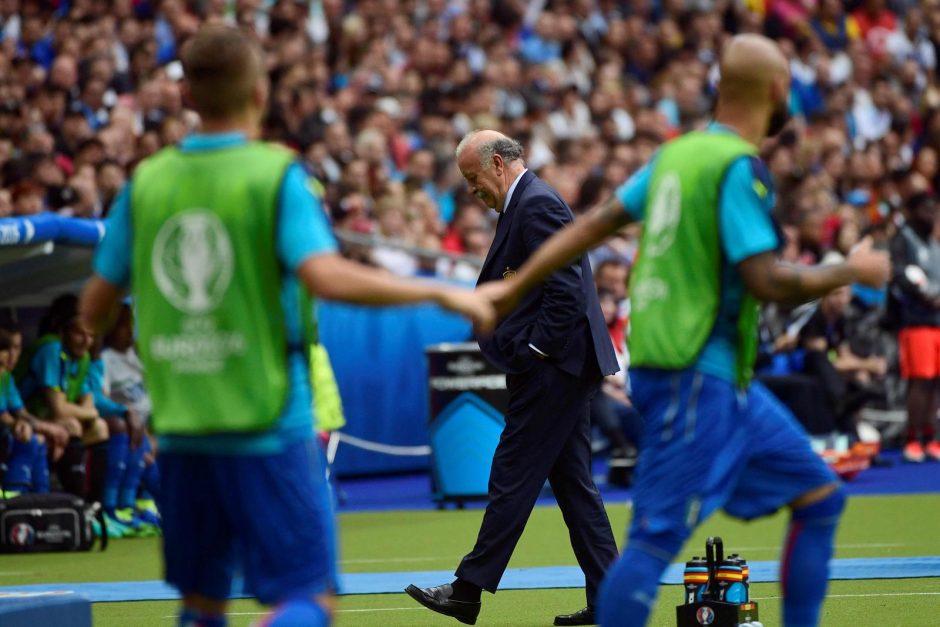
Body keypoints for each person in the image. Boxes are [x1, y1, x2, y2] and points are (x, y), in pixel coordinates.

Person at [78, 25, 494, 627]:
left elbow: (94, 306)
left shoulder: (146, 182)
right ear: (259, 93)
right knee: (307, 601)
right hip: (268, 421)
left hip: (181, 430)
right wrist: (441, 291)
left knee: (200, 604)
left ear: (188, 97)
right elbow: (327, 277)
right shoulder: (275, 176)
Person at [478, 34, 890, 627]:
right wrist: (851, 269)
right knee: (654, 540)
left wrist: (515, 286)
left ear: (720, 88)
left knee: (820, 497)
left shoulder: (677, 155)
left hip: (703, 375)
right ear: (778, 91)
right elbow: (766, 280)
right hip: (697, 375)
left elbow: (592, 226)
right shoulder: (734, 167)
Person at [406, 130, 620, 627]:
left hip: (553, 367)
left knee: (513, 474)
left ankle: (467, 590)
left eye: (473, 178)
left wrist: (535, 351)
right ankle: (613, 601)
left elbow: (565, 288)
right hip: (563, 365)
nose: (471, 190)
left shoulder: (537, 204)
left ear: (498, 164)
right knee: (574, 486)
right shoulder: (528, 203)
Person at [889, 191, 940, 462]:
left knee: (935, 382)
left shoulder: (933, 243)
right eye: (925, 209)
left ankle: (931, 437)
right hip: (916, 322)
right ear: (912, 211)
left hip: (937, 322)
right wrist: (924, 296)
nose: (930, 214)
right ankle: (912, 439)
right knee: (919, 382)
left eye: (933, 209)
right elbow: (900, 276)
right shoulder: (903, 239)